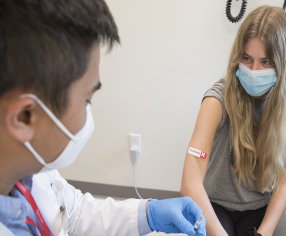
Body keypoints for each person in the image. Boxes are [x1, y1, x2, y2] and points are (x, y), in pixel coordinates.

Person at [0, 0, 206, 235]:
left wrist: (148, 213)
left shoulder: (30, 174)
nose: (89, 116)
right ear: (25, 117)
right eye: (86, 100)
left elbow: (72, 214)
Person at [180, 6, 286, 236]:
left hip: (258, 207)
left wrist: (263, 233)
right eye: (247, 58)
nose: (254, 70)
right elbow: (190, 181)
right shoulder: (217, 101)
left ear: (283, 64)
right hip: (214, 204)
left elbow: (285, 182)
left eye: (265, 62)